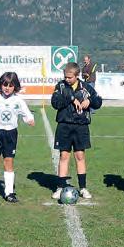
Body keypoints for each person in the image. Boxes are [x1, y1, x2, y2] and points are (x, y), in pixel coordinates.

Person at [51, 61, 102, 199]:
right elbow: (55, 103)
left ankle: (83, 188)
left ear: (77, 75)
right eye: (65, 77)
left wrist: (90, 101)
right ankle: (60, 187)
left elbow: (98, 101)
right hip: (64, 125)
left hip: (81, 126)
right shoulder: (60, 86)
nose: (67, 79)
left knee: (80, 156)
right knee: (64, 156)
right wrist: (71, 98)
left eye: (70, 77)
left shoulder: (86, 87)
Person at [0, 71, 35, 203]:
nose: (7, 88)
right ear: (1, 85)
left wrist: (29, 119)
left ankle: (9, 192)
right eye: (5, 85)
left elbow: (26, 113)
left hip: (11, 133)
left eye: (11, 86)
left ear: (15, 87)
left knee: (8, 161)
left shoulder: (18, 100)